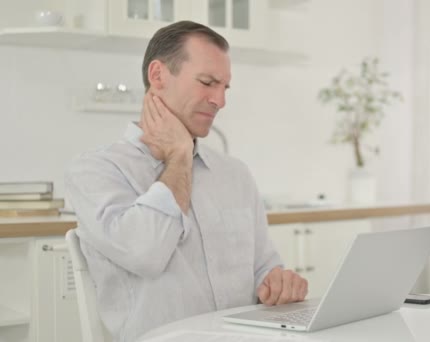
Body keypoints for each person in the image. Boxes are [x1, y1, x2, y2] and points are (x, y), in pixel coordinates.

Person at [65, 20, 308, 342]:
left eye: (225, 87)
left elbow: (265, 268)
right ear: (158, 76)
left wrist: (279, 283)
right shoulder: (95, 171)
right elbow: (145, 254)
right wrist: (178, 157)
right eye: (207, 82)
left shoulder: (234, 174)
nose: (220, 100)